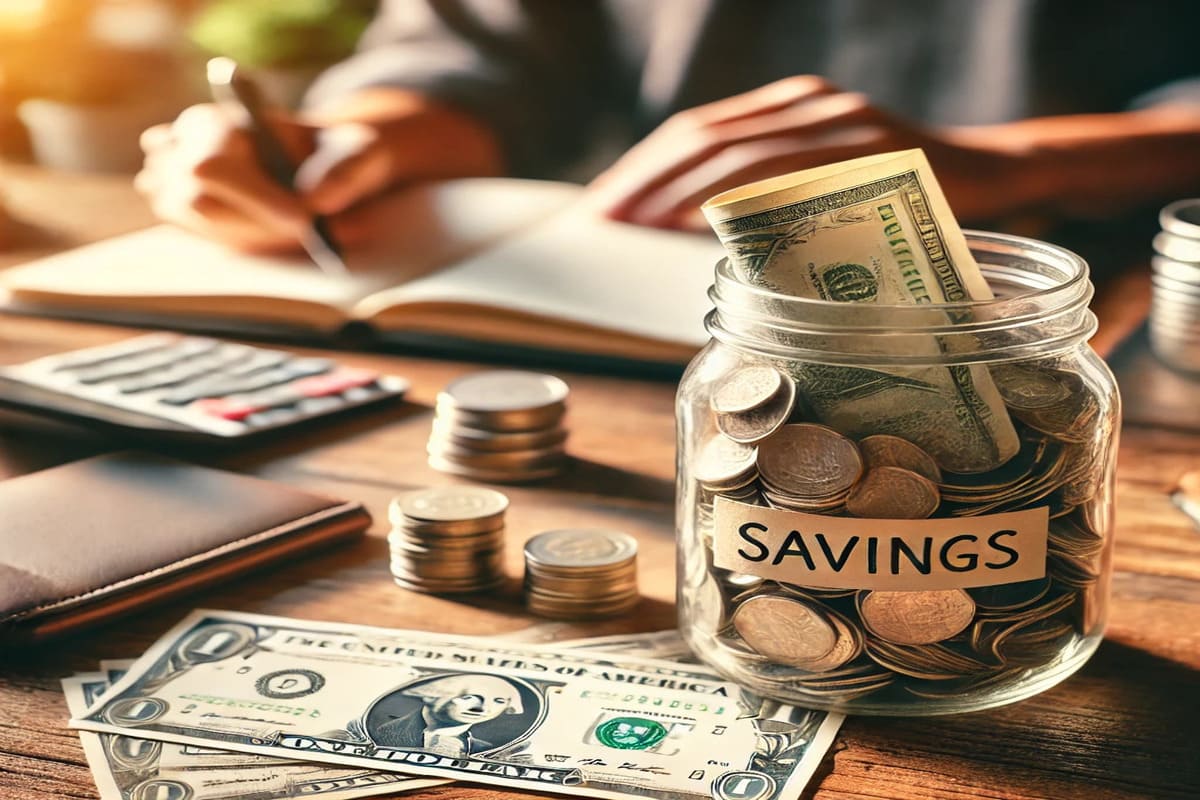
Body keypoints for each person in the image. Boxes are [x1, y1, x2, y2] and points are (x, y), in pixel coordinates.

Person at [137, 0, 1200, 254]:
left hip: (1108, 293)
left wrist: (1016, 163)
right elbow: (489, 47)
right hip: (657, 300)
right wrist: (361, 135)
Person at [370, 673, 525, 756]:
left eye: (499, 701)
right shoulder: (378, 731)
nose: (483, 709)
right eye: (468, 698)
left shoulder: (485, 749)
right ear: (431, 696)